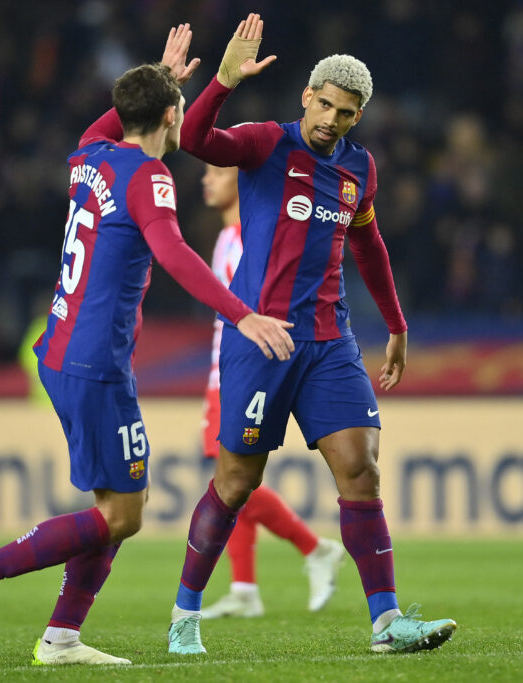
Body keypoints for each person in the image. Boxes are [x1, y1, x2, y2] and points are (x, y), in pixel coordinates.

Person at [0, 25, 293, 667]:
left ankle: (61, 637)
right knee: (124, 514)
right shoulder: (150, 176)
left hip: (66, 349)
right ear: (171, 114)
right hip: (94, 360)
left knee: (120, 505)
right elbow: (175, 254)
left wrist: (160, 75)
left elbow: (120, 119)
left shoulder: (89, 153)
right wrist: (242, 314)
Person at [167, 15, 457, 655]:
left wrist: (398, 324)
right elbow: (192, 137)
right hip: (260, 338)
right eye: (325, 104)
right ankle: (185, 614)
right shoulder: (266, 143)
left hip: (330, 342)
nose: (332, 119)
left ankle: (386, 624)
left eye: (346, 112)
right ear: (307, 95)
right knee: (237, 482)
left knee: (361, 469)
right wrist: (221, 81)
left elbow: (370, 245)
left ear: (359, 117)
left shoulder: (359, 170)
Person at [198, 163, 345, 619]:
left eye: (216, 173)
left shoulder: (247, 238)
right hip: (222, 371)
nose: (207, 179)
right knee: (228, 479)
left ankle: (314, 547)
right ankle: (244, 588)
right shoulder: (226, 236)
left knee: (230, 480)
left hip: (241, 373)